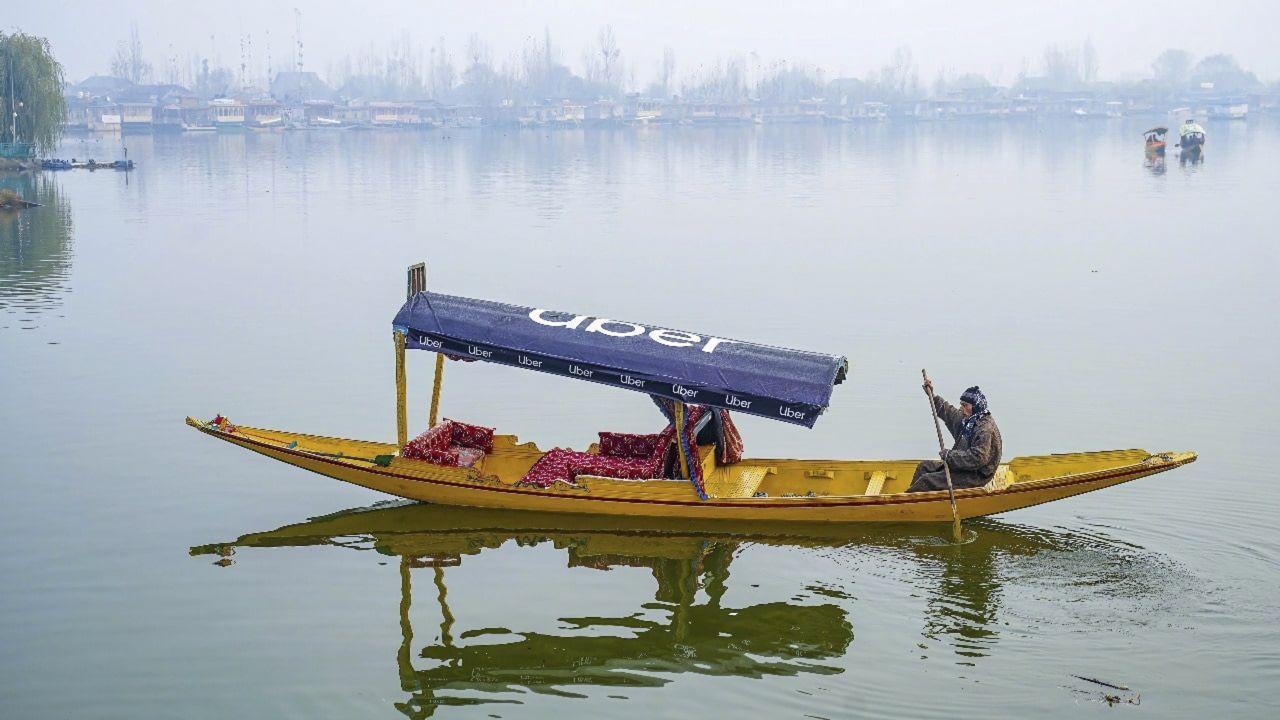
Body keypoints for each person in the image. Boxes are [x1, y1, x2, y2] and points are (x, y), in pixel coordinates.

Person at [908, 382, 1003, 493]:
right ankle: (912, 497)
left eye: (965, 405)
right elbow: (950, 413)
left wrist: (950, 455)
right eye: (961, 404)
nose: (961, 408)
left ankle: (906, 506)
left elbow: (978, 458)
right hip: (964, 467)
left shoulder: (984, 428)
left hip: (976, 475)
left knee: (926, 480)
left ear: (976, 406)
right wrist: (932, 395)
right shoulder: (969, 419)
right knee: (923, 467)